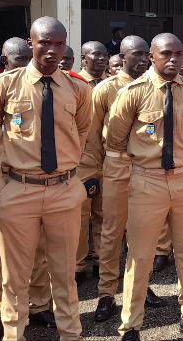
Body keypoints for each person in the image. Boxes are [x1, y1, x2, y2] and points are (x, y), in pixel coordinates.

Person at [0, 17, 93, 340]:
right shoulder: (3, 85)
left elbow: (82, 130)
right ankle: (14, 335)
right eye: (45, 43)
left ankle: (70, 334)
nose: (52, 51)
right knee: (15, 277)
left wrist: (70, 169)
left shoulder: (78, 88)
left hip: (64, 190)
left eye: (58, 44)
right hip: (18, 190)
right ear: (31, 44)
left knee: (64, 274)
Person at [105, 33, 183, 341]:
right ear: (151, 57)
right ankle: (131, 326)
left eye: (178, 55)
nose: (173, 60)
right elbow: (115, 138)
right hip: (147, 180)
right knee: (140, 256)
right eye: (165, 54)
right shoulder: (134, 92)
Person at [90, 35, 162, 323]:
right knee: (111, 233)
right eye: (137, 54)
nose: (144, 59)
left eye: (147, 54)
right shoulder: (106, 90)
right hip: (117, 168)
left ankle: (140, 289)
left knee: (143, 232)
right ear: (122, 56)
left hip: (147, 169)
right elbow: (93, 136)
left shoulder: (154, 87)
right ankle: (106, 293)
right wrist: (95, 172)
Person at [74, 41, 109, 281]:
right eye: (95, 55)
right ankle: (78, 265)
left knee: (106, 216)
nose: (100, 59)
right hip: (82, 160)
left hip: (110, 161)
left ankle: (102, 261)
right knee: (79, 217)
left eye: (104, 55)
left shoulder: (113, 85)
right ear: (83, 58)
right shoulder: (75, 85)